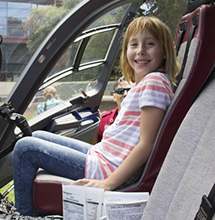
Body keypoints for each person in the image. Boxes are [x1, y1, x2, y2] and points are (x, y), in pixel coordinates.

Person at [13, 16, 180, 216]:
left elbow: (147, 143)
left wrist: (109, 182)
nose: (141, 50)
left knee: (24, 148)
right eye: (134, 44)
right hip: (103, 155)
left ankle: (23, 214)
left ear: (164, 52)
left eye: (150, 44)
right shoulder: (146, 83)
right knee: (37, 136)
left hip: (108, 167)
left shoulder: (154, 82)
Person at [91, 76, 133, 144]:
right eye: (120, 91)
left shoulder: (143, 119)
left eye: (130, 90)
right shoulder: (103, 119)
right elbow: (93, 144)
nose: (125, 94)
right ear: (114, 97)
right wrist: (96, 126)